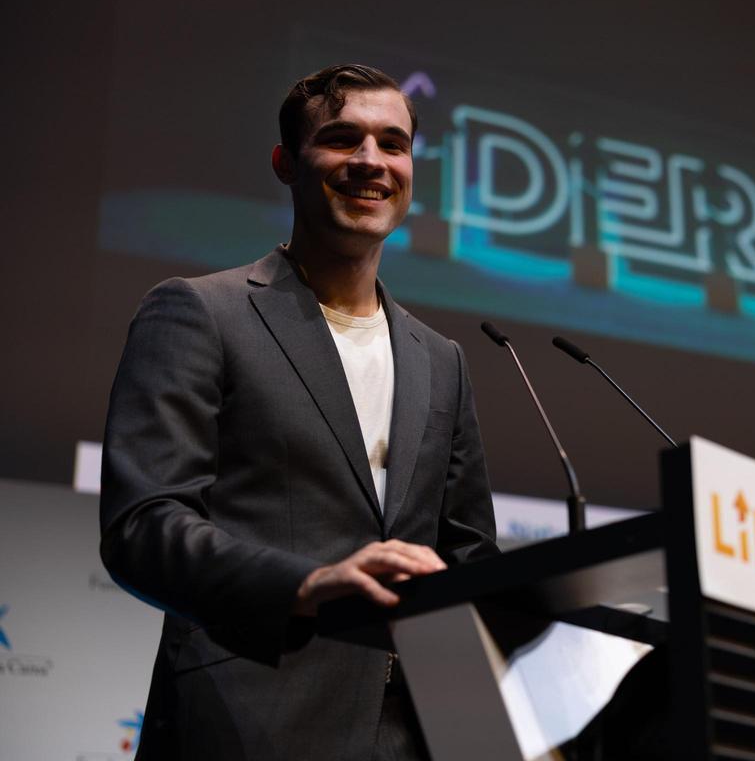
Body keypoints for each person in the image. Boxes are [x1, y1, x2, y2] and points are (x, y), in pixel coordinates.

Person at [100, 63, 497, 760]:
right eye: (343, 139)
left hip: (422, 735)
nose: (371, 161)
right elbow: (144, 526)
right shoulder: (200, 313)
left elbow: (470, 562)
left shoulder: (443, 358)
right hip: (251, 721)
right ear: (287, 163)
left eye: (392, 143)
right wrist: (307, 586)